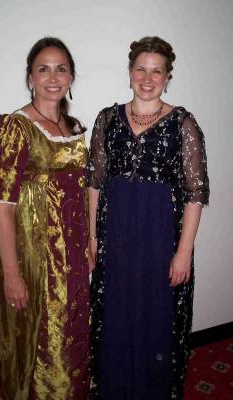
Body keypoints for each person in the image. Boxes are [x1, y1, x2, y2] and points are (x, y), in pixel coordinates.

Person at [88, 36, 209, 400]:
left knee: (156, 319)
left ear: (168, 77)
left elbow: (195, 192)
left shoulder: (183, 123)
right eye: (140, 68)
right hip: (116, 235)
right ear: (129, 73)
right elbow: (93, 182)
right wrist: (92, 239)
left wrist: (184, 251)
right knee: (115, 316)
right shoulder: (107, 119)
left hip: (161, 238)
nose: (147, 77)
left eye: (157, 71)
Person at [0, 37, 90, 400]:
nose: (53, 77)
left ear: (71, 76)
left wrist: (90, 244)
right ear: (30, 77)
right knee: (36, 344)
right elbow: (4, 208)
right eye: (43, 69)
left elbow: (84, 193)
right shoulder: (13, 128)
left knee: (70, 340)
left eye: (61, 68)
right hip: (31, 256)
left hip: (71, 256)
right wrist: (11, 274)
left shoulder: (74, 128)